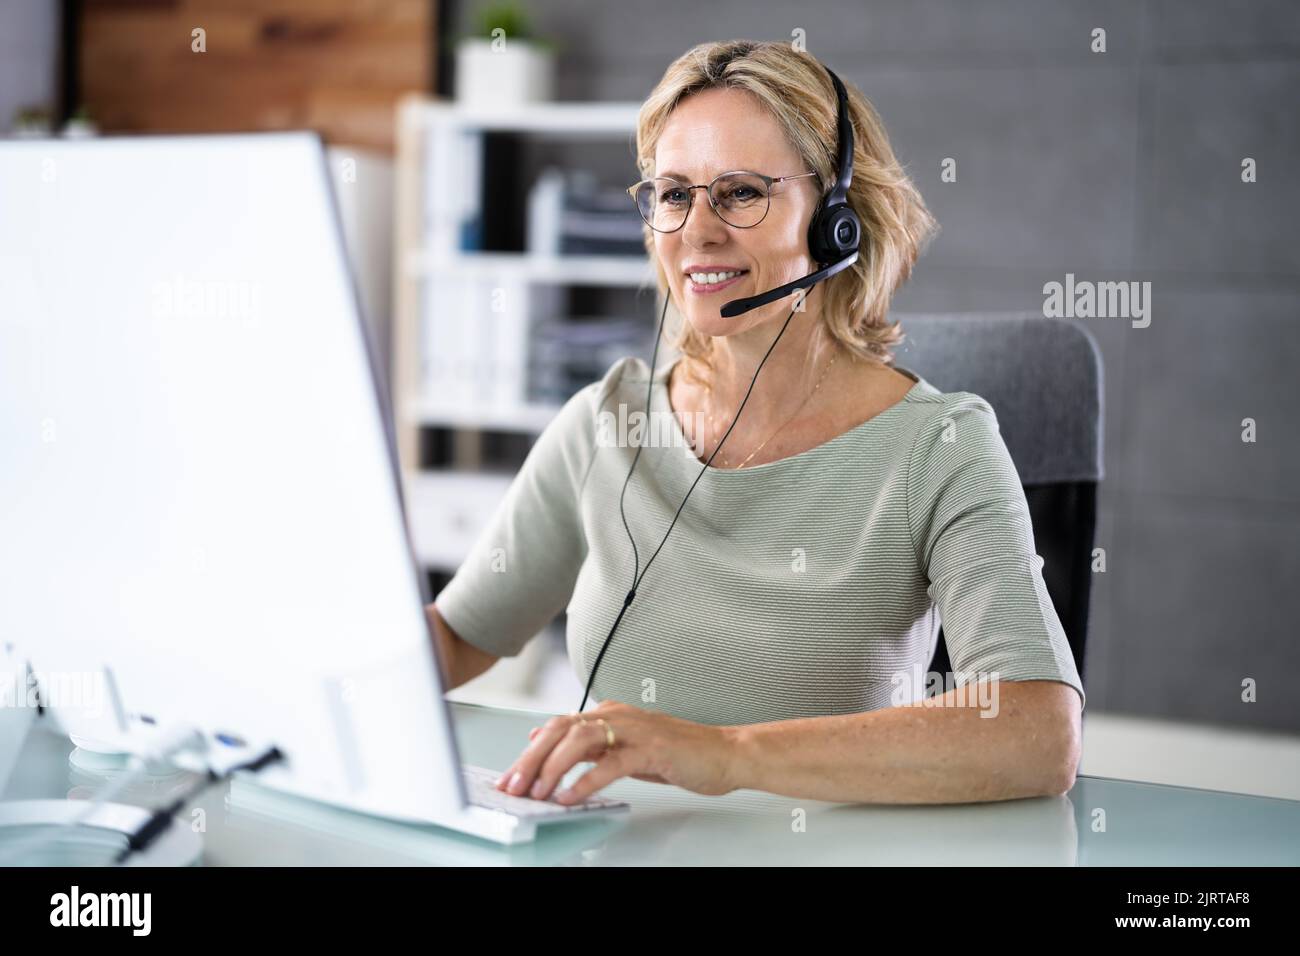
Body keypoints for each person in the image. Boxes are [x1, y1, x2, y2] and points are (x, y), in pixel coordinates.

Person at [429, 39, 1085, 807]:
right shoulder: (607, 422)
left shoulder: (940, 445)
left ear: (838, 219)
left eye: (740, 193)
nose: (697, 231)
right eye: (673, 194)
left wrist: (723, 754)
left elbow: (1038, 733)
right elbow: (454, 638)